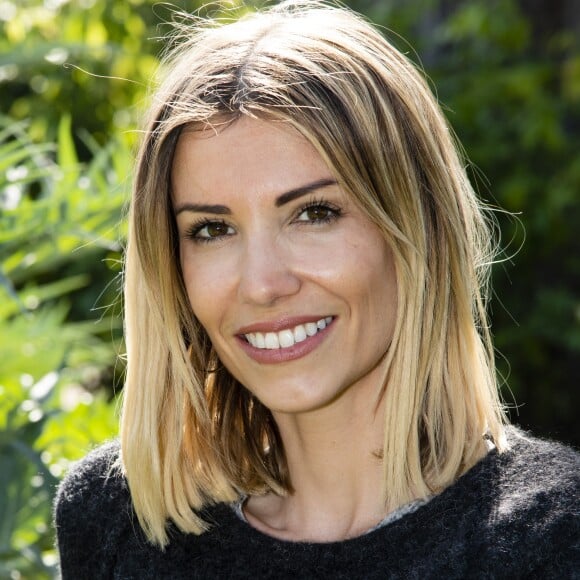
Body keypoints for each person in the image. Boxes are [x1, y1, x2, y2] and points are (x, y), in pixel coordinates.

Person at [54, 1, 579, 578]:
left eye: (314, 214)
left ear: (417, 227)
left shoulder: (554, 539)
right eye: (211, 229)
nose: (261, 284)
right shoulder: (117, 525)